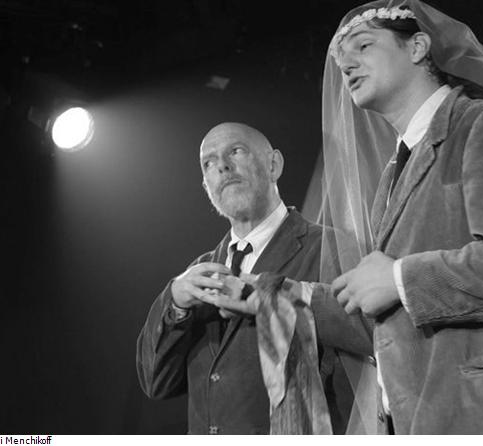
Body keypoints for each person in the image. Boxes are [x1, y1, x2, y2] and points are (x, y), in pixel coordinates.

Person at [320, 0, 483, 434]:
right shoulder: (392, 174)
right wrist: (271, 296)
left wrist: (399, 278)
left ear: (418, 46)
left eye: (363, 45)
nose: (346, 65)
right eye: (341, 59)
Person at [136, 122, 372, 434]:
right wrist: (175, 305)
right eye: (209, 163)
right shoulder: (198, 273)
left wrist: (269, 298)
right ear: (207, 186)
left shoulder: (333, 248)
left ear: (274, 165)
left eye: (236, 151)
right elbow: (156, 382)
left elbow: (373, 336)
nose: (222, 166)